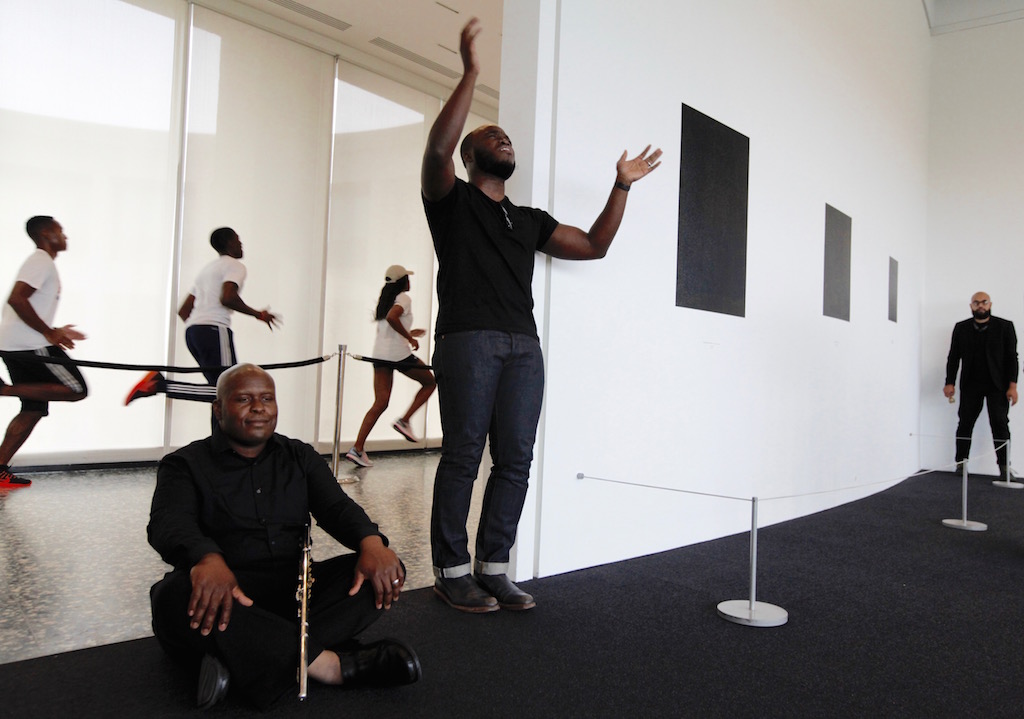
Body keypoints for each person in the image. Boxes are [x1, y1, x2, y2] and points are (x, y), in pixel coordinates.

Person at [420, 18, 662, 612]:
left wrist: (621, 186)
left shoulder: (527, 220)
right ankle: (452, 571)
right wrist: (472, 73)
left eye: (507, 137)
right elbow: (435, 149)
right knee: (462, 454)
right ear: (472, 155)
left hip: (523, 345)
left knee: (517, 459)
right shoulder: (450, 202)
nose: (504, 141)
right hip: (468, 339)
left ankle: (492, 567)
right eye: (492, 137)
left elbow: (596, 246)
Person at [148, 363, 420, 709]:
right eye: (244, 399)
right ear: (218, 409)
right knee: (173, 595)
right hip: (226, 593)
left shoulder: (299, 456)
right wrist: (206, 557)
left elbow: (336, 508)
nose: (258, 407)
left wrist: (371, 541)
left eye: (267, 398)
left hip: (295, 592)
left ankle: (241, 658)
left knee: (384, 571)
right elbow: (168, 524)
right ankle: (333, 666)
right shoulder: (184, 464)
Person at [124, 227, 278, 405]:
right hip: (213, 330)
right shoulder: (235, 266)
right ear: (229, 243)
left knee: (219, 391)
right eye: (237, 239)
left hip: (194, 333)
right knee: (228, 390)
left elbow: (184, 310)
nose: (241, 243)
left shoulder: (207, 270)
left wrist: (200, 326)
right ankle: (160, 385)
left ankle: (217, 431)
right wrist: (259, 314)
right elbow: (227, 297)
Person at [0, 216, 88, 488]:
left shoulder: (41, 262)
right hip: (28, 345)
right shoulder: (41, 261)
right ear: (47, 233)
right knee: (76, 389)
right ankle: (3, 390)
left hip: (16, 342)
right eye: (61, 231)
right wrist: (48, 333)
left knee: (33, 407)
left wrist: (55, 328)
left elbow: (27, 305)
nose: (65, 237)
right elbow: (17, 298)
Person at [346, 264, 436, 468]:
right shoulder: (404, 298)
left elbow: (389, 326)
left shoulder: (386, 300)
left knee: (381, 402)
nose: (410, 281)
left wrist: (410, 333)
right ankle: (404, 421)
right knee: (430, 382)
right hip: (398, 355)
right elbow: (392, 318)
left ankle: (357, 449)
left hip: (380, 355)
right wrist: (410, 339)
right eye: (408, 278)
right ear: (403, 281)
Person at [944, 291, 1019, 476]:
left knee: (1000, 423)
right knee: (965, 424)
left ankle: (1004, 467)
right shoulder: (961, 328)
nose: (980, 306)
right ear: (971, 306)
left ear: (990, 304)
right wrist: (949, 382)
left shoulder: (1005, 327)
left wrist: (1013, 386)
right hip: (971, 384)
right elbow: (953, 357)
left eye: (984, 302)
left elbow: (1012, 358)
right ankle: (961, 464)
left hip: (998, 385)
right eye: (976, 303)